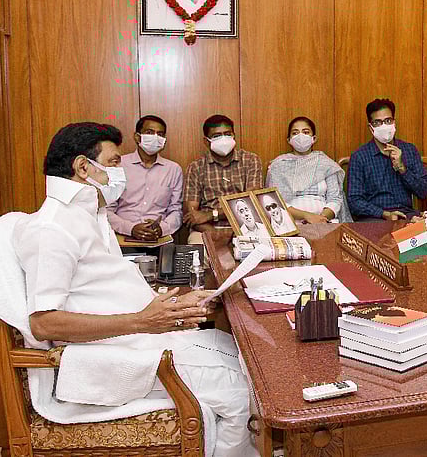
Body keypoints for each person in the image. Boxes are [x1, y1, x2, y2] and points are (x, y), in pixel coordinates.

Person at [14, 122, 257, 456]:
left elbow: (105, 289)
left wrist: (176, 304)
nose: (121, 172)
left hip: (138, 338)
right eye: (114, 162)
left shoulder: (89, 215)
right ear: (83, 167)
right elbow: (43, 323)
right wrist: (143, 321)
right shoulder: (52, 229)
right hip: (110, 358)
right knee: (240, 393)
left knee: (244, 357)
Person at [183, 115, 263, 244]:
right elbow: (191, 215)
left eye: (227, 134)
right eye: (217, 136)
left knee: (260, 250)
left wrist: (211, 214)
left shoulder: (250, 160)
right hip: (207, 229)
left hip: (245, 226)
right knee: (198, 248)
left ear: (234, 136)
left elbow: (251, 203)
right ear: (206, 141)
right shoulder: (196, 167)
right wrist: (214, 233)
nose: (224, 139)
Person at [347, 98, 427, 221]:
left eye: (388, 121)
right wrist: (384, 214)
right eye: (378, 122)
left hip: (407, 215)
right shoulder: (359, 157)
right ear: (371, 128)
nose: (384, 126)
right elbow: (354, 201)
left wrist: (402, 169)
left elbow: (423, 191)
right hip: (375, 218)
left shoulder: (409, 150)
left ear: (394, 123)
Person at [107, 115, 183, 241]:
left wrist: (162, 228)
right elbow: (107, 210)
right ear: (137, 137)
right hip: (121, 236)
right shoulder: (118, 165)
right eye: (149, 132)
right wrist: (131, 228)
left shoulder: (173, 170)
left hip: (158, 238)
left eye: (160, 134)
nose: (155, 137)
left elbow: (176, 211)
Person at [265, 117, 352, 223]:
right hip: (291, 221)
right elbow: (276, 200)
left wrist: (321, 218)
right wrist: (306, 216)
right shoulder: (279, 165)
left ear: (313, 138)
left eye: (306, 132)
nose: (300, 136)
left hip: (324, 221)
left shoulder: (326, 164)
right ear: (289, 140)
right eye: (295, 133)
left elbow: (335, 199)